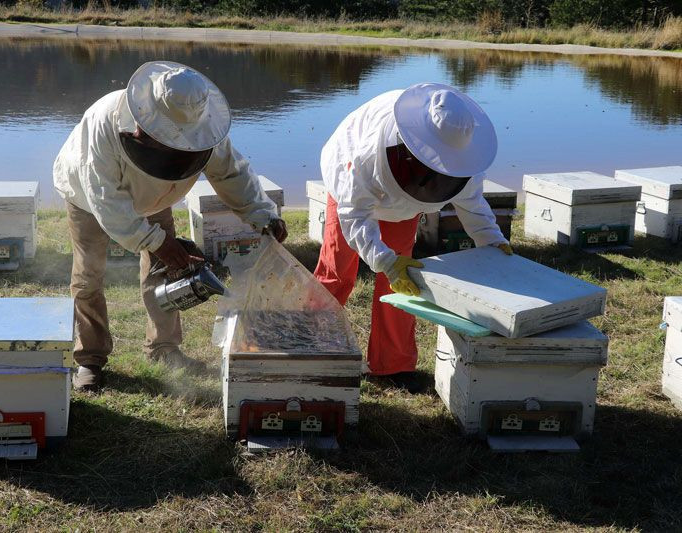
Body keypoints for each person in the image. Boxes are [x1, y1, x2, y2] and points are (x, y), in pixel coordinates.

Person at [54, 61, 287, 391]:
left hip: (156, 198)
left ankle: (163, 348)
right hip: (87, 196)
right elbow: (105, 200)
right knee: (89, 273)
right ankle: (89, 358)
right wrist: (154, 240)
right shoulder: (104, 122)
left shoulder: (202, 127)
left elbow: (231, 173)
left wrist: (264, 214)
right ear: (144, 121)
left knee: (163, 270)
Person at [314, 83, 512, 393]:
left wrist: (492, 240)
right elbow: (353, 215)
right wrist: (384, 261)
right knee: (338, 271)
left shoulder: (464, 156)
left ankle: (393, 364)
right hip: (349, 181)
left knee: (404, 281)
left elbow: (471, 202)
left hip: (402, 206)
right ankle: (311, 344)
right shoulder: (367, 154)